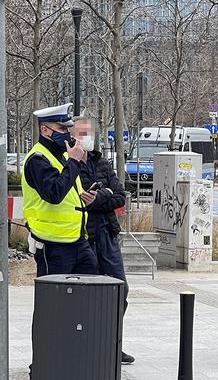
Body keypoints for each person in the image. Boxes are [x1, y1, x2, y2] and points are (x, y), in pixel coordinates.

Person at [71, 118, 135, 365]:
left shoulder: (102, 163)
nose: (86, 136)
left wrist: (99, 198)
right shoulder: (70, 163)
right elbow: (76, 200)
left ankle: (112, 343)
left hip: (107, 235)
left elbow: (119, 196)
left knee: (120, 290)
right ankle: (87, 343)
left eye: (89, 132)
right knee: (88, 294)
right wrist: (101, 197)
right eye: (81, 133)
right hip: (84, 238)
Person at [21, 103, 99, 276]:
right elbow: (54, 194)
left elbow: (70, 192)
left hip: (78, 240)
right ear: (45, 130)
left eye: (68, 128)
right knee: (55, 299)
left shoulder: (64, 156)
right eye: (62, 128)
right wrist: (74, 162)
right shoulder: (38, 159)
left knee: (91, 292)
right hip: (52, 244)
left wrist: (87, 198)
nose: (67, 133)